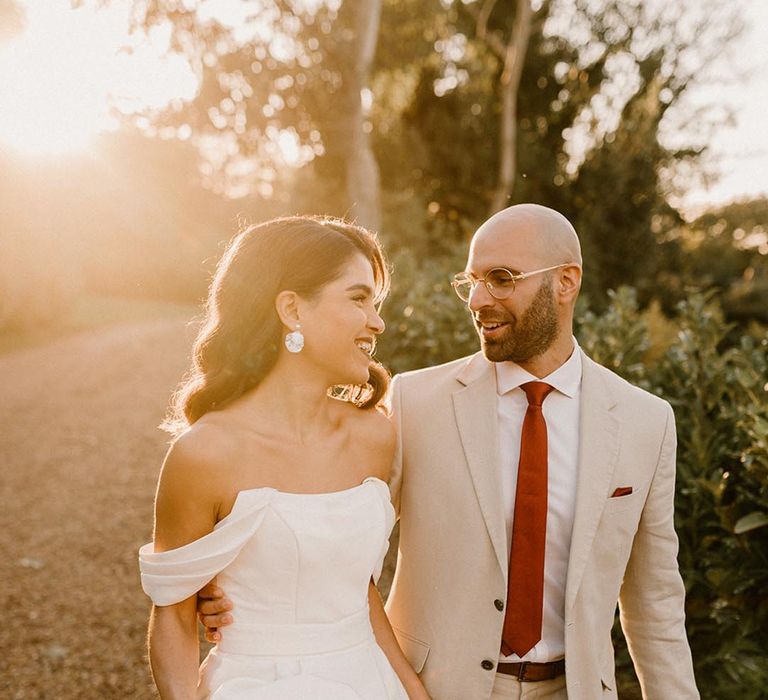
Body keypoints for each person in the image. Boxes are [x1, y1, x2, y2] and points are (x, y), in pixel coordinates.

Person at [198, 204, 699, 699]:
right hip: (431, 688)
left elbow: (654, 602)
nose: (478, 299)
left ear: (566, 282)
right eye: (472, 281)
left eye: (501, 278)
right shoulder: (416, 403)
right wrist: (236, 583)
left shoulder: (645, 422)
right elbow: (332, 535)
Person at [138, 216, 430, 699]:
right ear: (292, 309)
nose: (377, 321)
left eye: (375, 304)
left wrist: (414, 693)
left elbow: (359, 591)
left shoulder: (375, 436)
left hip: (368, 681)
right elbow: (172, 617)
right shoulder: (204, 453)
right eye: (358, 299)